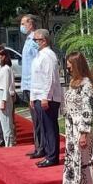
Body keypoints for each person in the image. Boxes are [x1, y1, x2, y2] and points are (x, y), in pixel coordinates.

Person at [62, 51, 93, 184]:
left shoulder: (87, 85)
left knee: (86, 166)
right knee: (77, 166)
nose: (68, 67)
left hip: (82, 130)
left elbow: (87, 110)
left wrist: (83, 133)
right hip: (71, 130)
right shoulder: (73, 82)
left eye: (70, 64)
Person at [28, 29, 61, 167]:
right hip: (38, 96)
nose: (33, 43)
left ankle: (52, 156)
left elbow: (50, 78)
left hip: (48, 98)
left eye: (36, 40)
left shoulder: (48, 55)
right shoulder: (39, 55)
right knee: (44, 127)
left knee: (50, 127)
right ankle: (47, 153)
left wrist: (45, 97)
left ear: (44, 40)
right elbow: (35, 79)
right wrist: (32, 97)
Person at [20, 14, 42, 159]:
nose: (21, 26)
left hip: (33, 84)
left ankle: (41, 147)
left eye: (23, 23)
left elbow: (37, 62)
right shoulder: (28, 40)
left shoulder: (34, 39)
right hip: (27, 84)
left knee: (38, 119)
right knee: (34, 119)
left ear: (30, 24)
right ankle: (38, 146)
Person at [0, 46, 17, 147]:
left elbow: (6, 85)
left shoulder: (6, 69)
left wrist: (4, 100)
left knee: (7, 122)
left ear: (3, 57)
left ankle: (9, 143)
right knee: (3, 122)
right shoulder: (1, 68)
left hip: (3, 94)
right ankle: (8, 143)